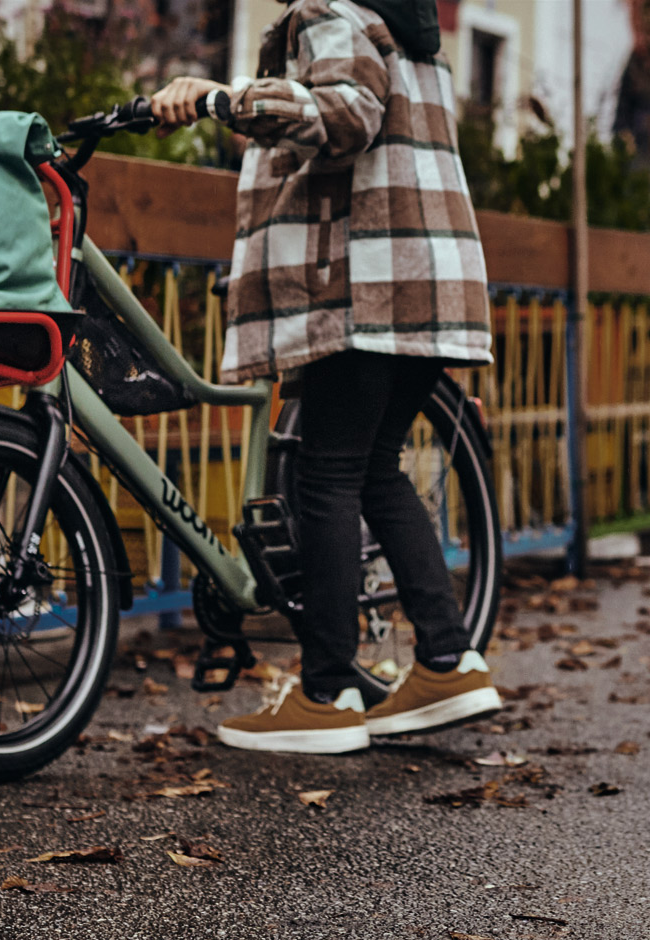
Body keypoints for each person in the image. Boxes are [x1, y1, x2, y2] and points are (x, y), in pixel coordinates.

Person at [151, 0, 501, 754]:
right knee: (374, 470)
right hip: (427, 279)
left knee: (329, 474)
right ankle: (446, 660)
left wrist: (224, 97)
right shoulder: (408, 28)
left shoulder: (329, 10)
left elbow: (345, 114)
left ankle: (328, 691)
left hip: (366, 280)